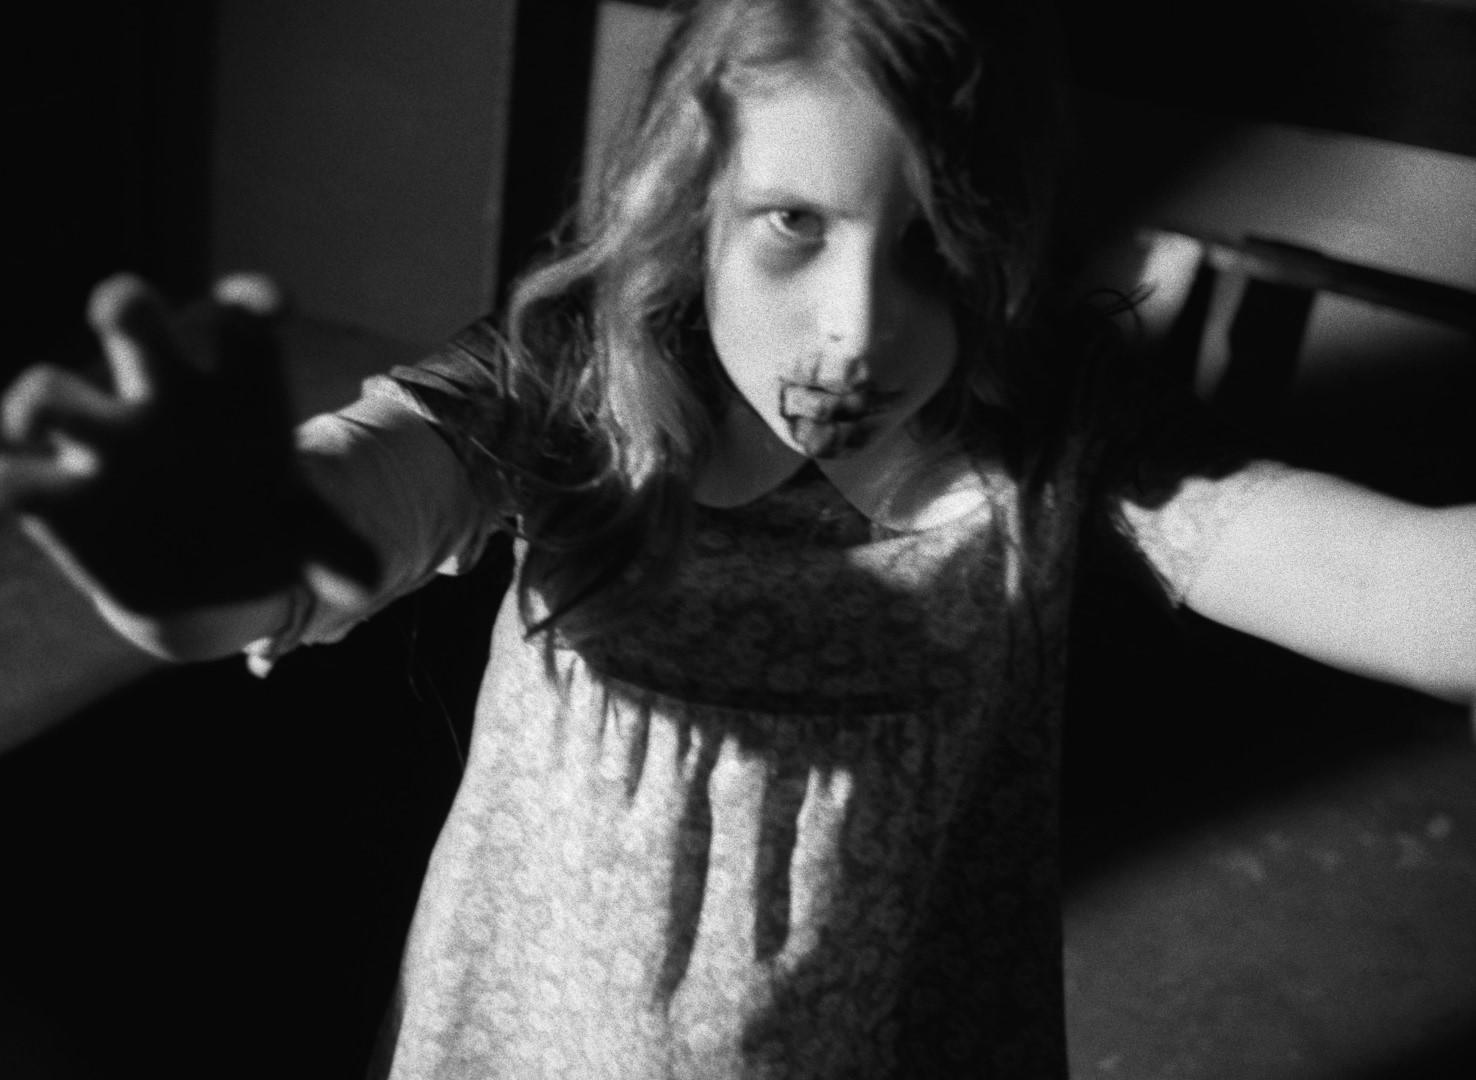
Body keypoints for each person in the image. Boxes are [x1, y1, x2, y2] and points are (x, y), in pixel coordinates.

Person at [1, 0, 1472, 1076]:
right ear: (690, 202)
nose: (858, 331)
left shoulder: (1052, 439)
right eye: (791, 224)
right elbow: (345, 513)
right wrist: (208, 555)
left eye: (934, 243)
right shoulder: (572, 383)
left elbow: (1404, 593)